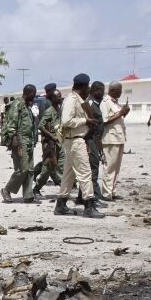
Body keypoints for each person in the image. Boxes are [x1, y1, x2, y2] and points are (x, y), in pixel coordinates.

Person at [56, 73, 103, 218]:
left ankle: (61, 205)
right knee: (85, 173)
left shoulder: (76, 99)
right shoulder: (72, 99)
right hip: (75, 140)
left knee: (68, 175)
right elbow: (66, 121)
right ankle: (89, 206)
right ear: (83, 86)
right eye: (88, 86)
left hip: (74, 140)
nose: (89, 89)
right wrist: (85, 121)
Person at [0, 84, 38, 204]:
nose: (34, 96)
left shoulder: (27, 106)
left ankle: (28, 195)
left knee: (30, 169)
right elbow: (11, 123)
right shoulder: (17, 104)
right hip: (20, 141)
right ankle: (6, 190)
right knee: (22, 169)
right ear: (28, 92)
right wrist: (14, 137)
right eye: (33, 94)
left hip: (29, 141)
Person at [100, 82, 130, 201]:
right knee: (109, 167)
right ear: (112, 90)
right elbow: (104, 120)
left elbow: (118, 118)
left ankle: (112, 191)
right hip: (110, 139)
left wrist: (124, 112)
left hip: (119, 137)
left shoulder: (116, 103)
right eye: (119, 90)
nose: (121, 93)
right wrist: (120, 113)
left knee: (116, 168)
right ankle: (106, 193)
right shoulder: (105, 102)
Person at [33, 87, 64, 196]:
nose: (60, 98)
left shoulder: (59, 110)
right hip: (49, 144)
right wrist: (52, 137)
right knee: (46, 169)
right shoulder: (49, 111)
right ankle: (36, 188)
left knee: (62, 164)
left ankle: (64, 186)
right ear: (52, 98)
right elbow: (40, 126)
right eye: (58, 97)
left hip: (59, 142)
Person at [83, 81, 106, 204]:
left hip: (95, 139)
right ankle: (95, 197)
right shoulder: (90, 104)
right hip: (90, 139)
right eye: (102, 91)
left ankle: (82, 197)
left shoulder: (95, 104)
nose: (103, 93)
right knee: (93, 168)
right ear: (96, 91)